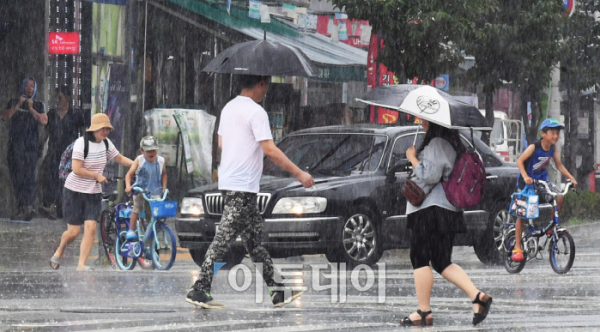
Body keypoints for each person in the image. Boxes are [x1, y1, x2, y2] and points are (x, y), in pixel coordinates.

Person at [186, 75, 314, 309]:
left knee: (253, 242)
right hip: (243, 186)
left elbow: (223, 143)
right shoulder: (256, 113)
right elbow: (271, 150)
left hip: (230, 181)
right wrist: (299, 173)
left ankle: (278, 290)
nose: (265, 92)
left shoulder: (228, 108)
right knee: (223, 239)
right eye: (266, 86)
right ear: (260, 84)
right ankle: (200, 288)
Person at [401, 120, 492, 327]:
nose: (420, 121)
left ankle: (424, 312)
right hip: (445, 211)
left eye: (423, 119)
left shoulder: (438, 143)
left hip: (430, 211)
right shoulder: (451, 142)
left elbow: (428, 175)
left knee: (420, 258)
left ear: (434, 122)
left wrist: (412, 158)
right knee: (442, 261)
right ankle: (477, 298)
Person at [49, 113, 133, 271]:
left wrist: (136, 164)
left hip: (93, 192)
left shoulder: (107, 144)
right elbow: (77, 169)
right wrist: (96, 175)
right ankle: (60, 249)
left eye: (107, 129)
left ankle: (81, 264)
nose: (106, 131)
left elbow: (120, 158)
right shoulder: (81, 144)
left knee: (91, 227)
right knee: (74, 232)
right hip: (73, 191)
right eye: (103, 128)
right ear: (94, 129)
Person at [511, 118, 578, 262]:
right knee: (523, 214)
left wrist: (571, 178)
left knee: (559, 197)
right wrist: (525, 176)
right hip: (527, 183)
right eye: (552, 133)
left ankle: (552, 226)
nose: (555, 136)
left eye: (557, 133)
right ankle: (517, 247)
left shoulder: (553, 148)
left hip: (542, 181)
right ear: (543, 134)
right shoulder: (534, 147)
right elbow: (520, 161)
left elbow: (559, 165)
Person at [1, 77, 48, 220]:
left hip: (31, 149)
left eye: (32, 86)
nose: (29, 89)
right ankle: (21, 207)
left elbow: (44, 121)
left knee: (29, 178)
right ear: (22, 87)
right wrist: (18, 105)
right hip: (15, 148)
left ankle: (28, 206)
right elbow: (4, 116)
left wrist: (31, 108)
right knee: (17, 178)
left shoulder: (39, 104)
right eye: (27, 86)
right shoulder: (13, 102)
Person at [39, 85, 86, 220]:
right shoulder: (52, 114)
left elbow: (84, 133)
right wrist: (40, 146)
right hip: (54, 152)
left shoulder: (76, 114)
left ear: (67, 98)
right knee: (50, 177)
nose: (57, 100)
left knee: (65, 181)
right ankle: (51, 205)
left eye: (60, 97)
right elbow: (46, 133)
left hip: (69, 154)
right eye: (56, 97)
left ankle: (62, 208)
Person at [124, 136, 167, 241]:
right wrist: (128, 186)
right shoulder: (139, 160)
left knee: (152, 217)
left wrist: (164, 188)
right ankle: (131, 229)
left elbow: (164, 174)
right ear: (142, 151)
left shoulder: (161, 161)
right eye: (148, 151)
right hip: (141, 190)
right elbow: (129, 174)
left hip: (154, 191)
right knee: (137, 208)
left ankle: (149, 244)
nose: (151, 153)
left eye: (154, 150)